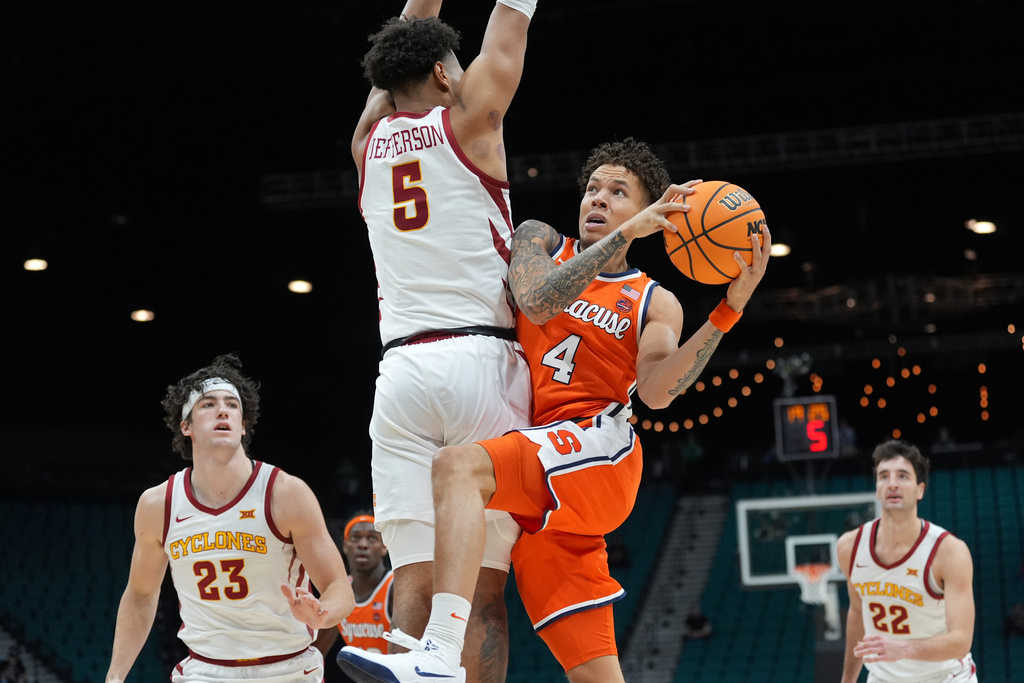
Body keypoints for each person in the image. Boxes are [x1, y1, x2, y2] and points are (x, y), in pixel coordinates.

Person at [338, 138, 770, 683]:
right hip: (545, 478)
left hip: (597, 449)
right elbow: (539, 300)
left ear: (649, 213)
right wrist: (620, 235)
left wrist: (730, 308)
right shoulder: (539, 239)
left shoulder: (653, 299)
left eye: (619, 192)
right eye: (593, 188)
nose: (599, 199)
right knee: (595, 672)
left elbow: (659, 391)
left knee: (457, 467)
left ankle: (440, 651)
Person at [351, 0, 537, 680]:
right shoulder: (471, 119)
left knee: (415, 578)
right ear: (441, 72)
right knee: (482, 587)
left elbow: (388, 71)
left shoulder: (366, 143)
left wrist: (408, 28)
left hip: (400, 373)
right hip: (480, 360)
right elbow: (511, 26)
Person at [105, 355, 355, 683]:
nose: (222, 410)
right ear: (186, 425)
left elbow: (339, 588)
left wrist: (322, 614)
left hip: (288, 669)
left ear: (243, 424)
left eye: (232, 405)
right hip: (204, 671)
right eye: (208, 404)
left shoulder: (285, 493)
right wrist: (115, 677)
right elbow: (140, 595)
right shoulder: (158, 504)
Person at [836, 440, 977, 683]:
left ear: (919, 489)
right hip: (883, 678)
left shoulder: (949, 552)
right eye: (884, 476)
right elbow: (858, 613)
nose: (892, 483)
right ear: (877, 488)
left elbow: (961, 641)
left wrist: (902, 649)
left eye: (902, 476)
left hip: (946, 677)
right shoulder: (850, 547)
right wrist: (848, 680)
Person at [313, 513, 395, 660]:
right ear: (345, 546)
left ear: (384, 547)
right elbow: (316, 653)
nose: (363, 544)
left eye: (372, 538)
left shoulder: (395, 587)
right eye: (355, 538)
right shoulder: (340, 593)